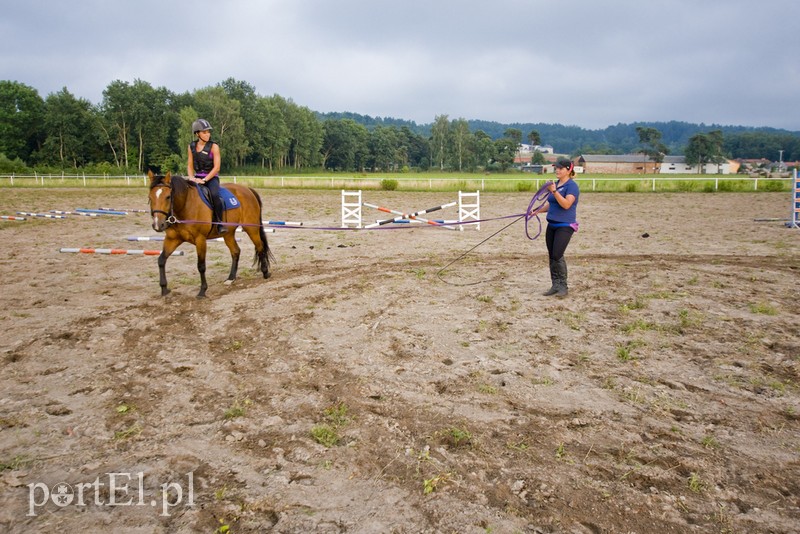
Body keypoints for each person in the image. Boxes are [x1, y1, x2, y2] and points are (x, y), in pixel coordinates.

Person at [531, 156, 580, 297]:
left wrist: (553, 191)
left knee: (558, 254)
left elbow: (566, 204)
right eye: (556, 168)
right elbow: (551, 203)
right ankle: (555, 284)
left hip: (565, 225)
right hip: (551, 224)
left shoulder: (572, 186)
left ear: (568, 169)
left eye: (560, 168)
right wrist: (537, 211)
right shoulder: (556, 184)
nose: (557, 170)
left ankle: (563, 286)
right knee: (552, 256)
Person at [187, 118, 226, 234]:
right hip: (196, 177)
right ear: (197, 134)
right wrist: (191, 177)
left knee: (214, 195)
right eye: (204, 132)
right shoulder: (191, 146)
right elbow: (189, 165)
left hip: (211, 178)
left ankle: (219, 223)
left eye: (208, 132)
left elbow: (217, 168)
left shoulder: (214, 147)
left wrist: (204, 179)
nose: (208, 134)